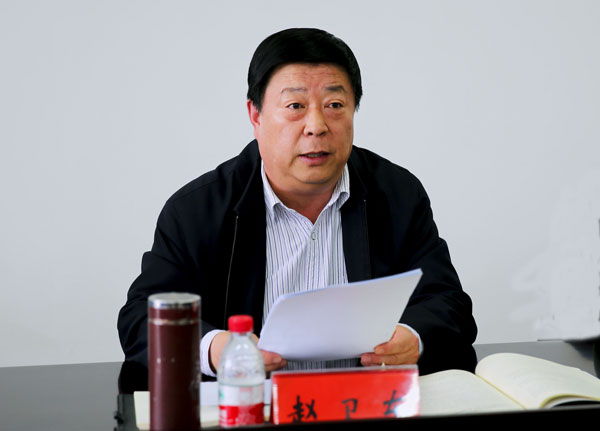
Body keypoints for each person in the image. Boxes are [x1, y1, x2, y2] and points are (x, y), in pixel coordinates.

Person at [117, 28, 477, 377]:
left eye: (334, 105)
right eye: (295, 106)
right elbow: (140, 320)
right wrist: (215, 349)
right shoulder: (198, 210)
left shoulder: (397, 194)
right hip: (253, 406)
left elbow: (448, 302)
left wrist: (413, 337)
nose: (316, 126)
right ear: (255, 115)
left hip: (364, 403)